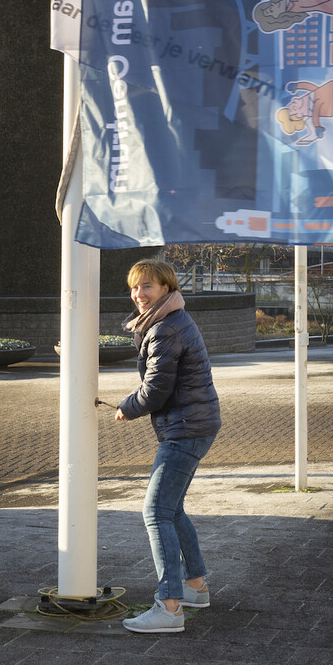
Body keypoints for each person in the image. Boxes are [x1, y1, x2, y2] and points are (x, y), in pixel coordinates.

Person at [110, 259, 222, 634]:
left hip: (186, 429)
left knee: (155, 512)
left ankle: (170, 608)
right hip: (195, 425)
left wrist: (127, 407)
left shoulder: (165, 329)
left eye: (147, 287)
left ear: (166, 289)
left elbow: (156, 389)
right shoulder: (168, 321)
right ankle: (195, 587)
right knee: (171, 510)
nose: (139, 295)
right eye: (135, 287)